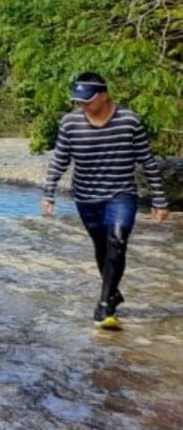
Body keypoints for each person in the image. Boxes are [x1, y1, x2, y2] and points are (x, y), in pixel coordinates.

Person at [42, 72, 170, 328]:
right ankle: (113, 292)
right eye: (78, 101)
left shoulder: (129, 121)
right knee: (102, 247)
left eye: (87, 101)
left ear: (104, 96)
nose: (82, 105)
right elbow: (60, 159)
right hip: (86, 197)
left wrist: (159, 199)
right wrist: (49, 192)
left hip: (121, 194)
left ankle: (104, 304)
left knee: (117, 240)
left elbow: (147, 161)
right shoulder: (70, 123)